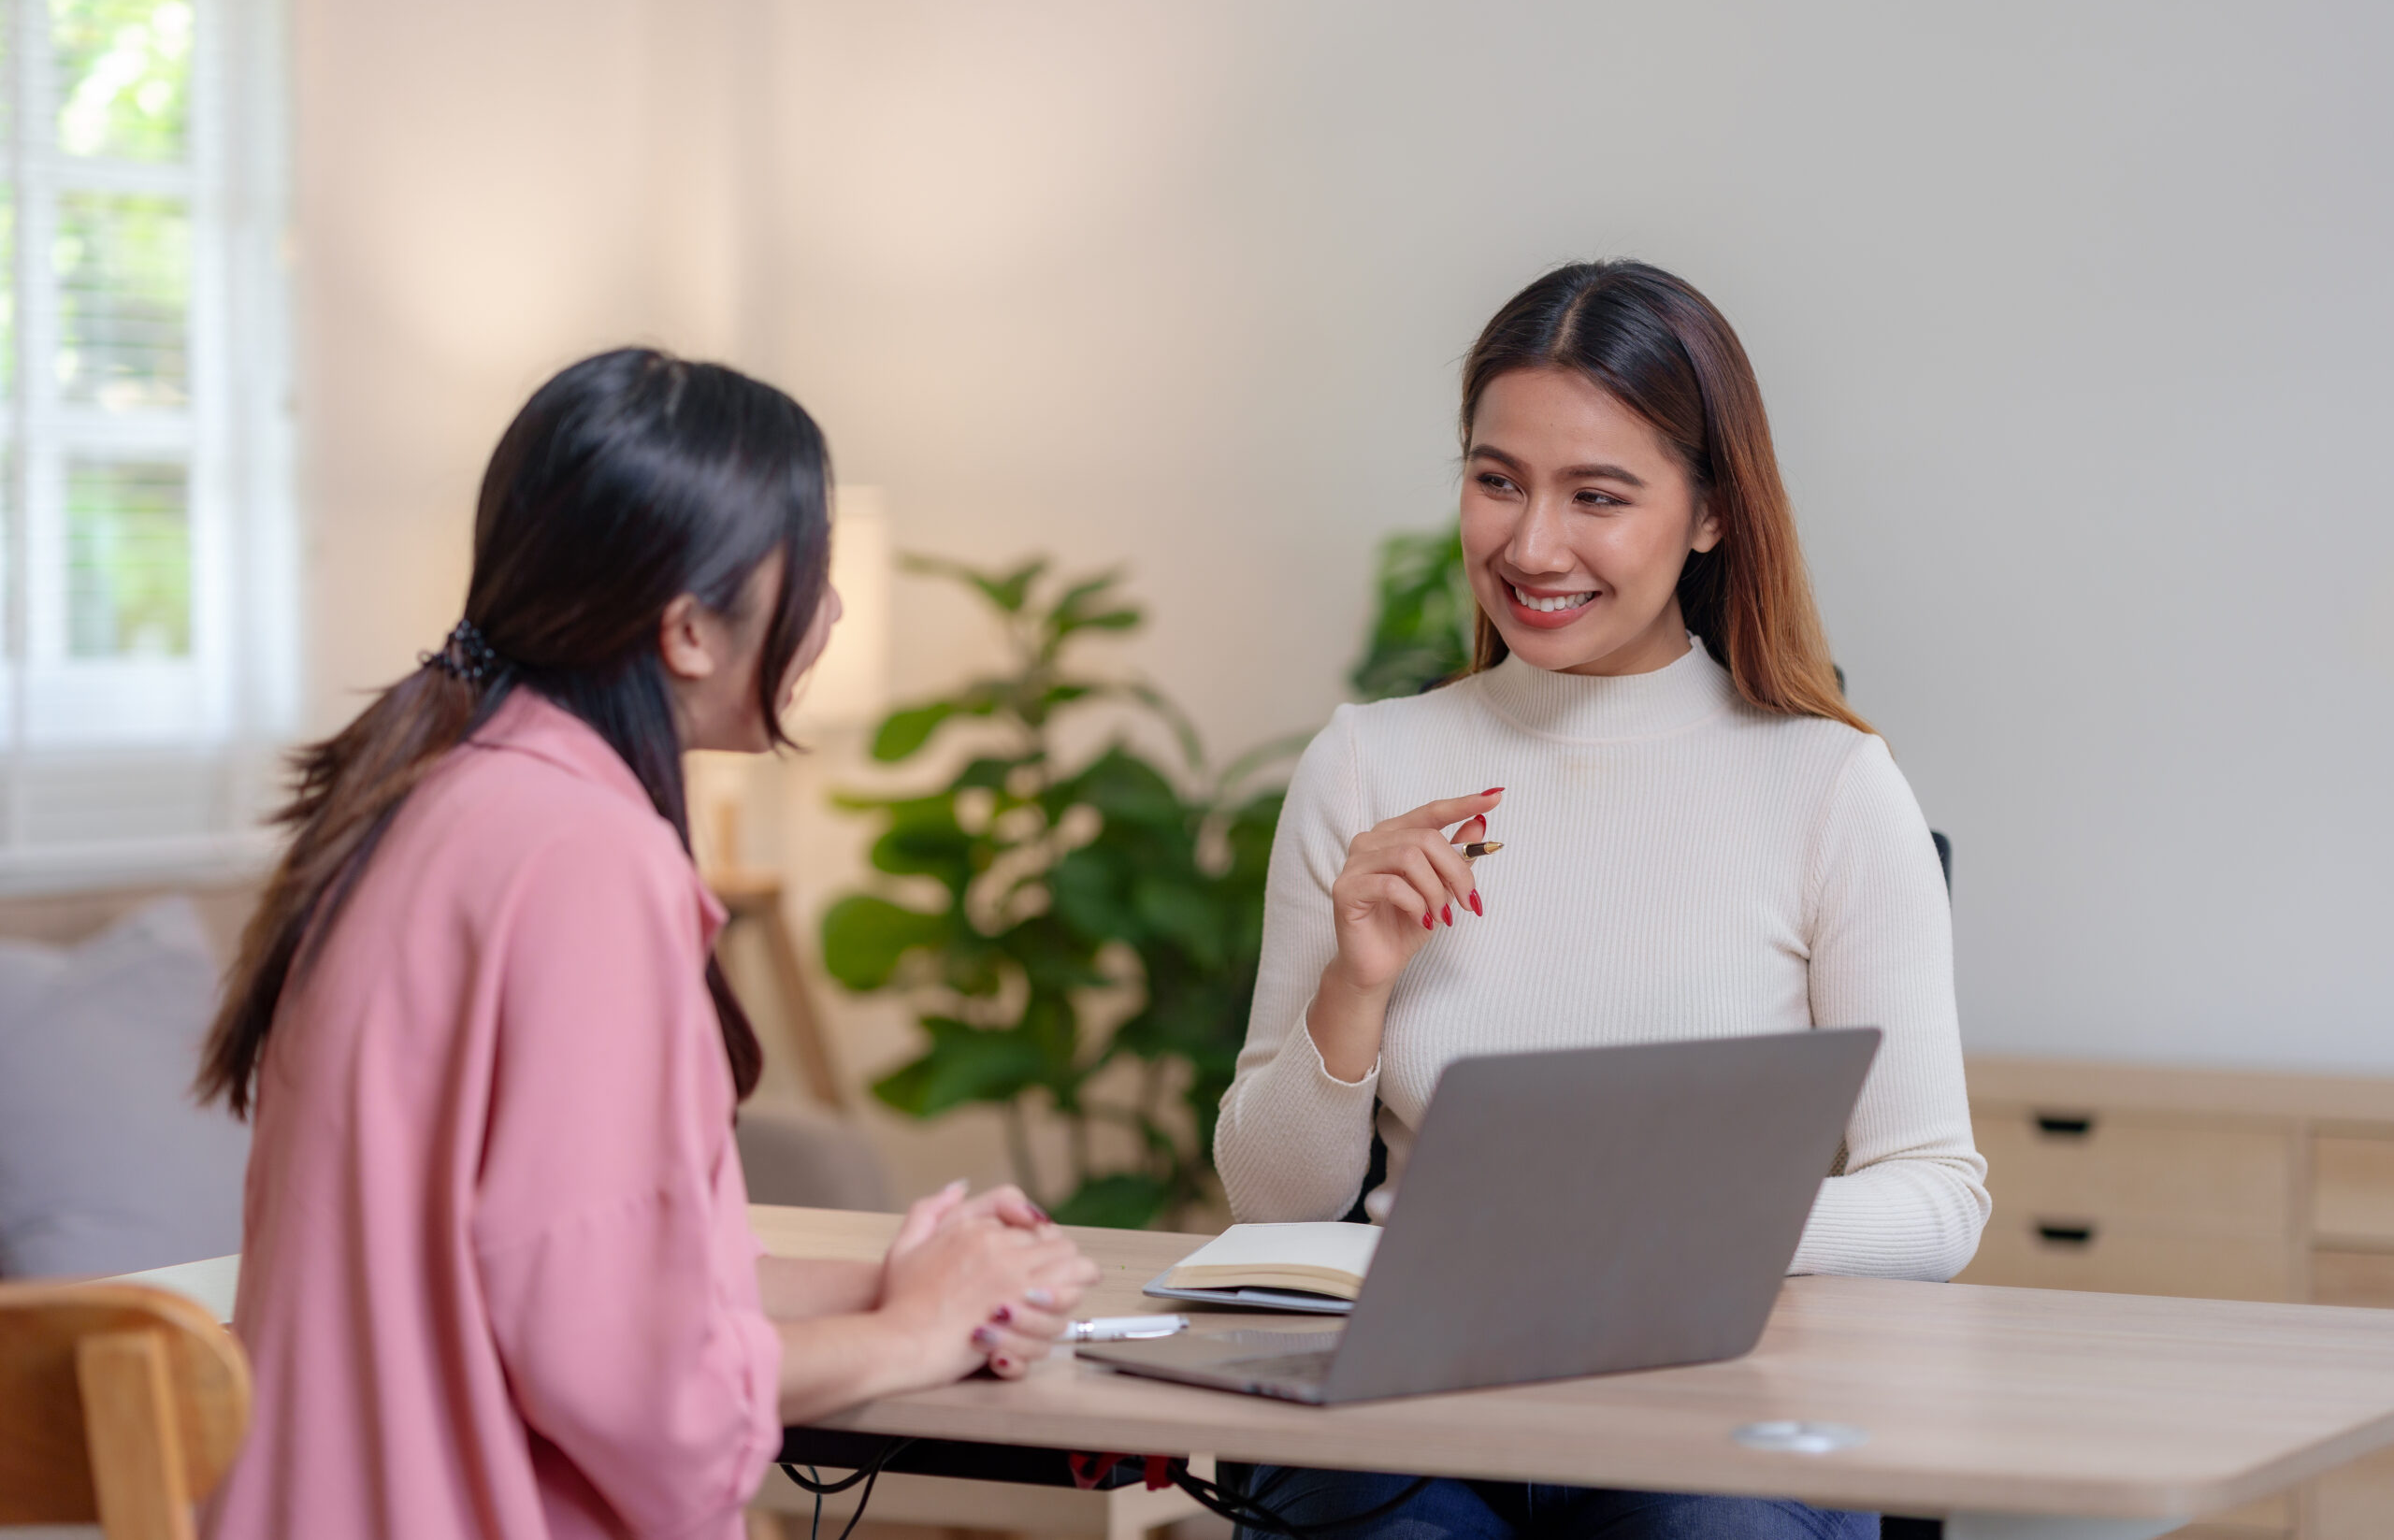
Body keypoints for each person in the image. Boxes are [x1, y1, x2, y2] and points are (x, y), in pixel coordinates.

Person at [196, 350, 1101, 1540]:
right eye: (812, 571)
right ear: (687, 632)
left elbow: (591, 1276)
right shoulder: (587, 861)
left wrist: (910, 1276)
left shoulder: (426, 801)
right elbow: (629, 1380)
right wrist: (910, 1336)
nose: (827, 613)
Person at [1213, 262, 1986, 1540]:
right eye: (1496, 478)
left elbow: (1937, 1193)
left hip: (1714, 1407)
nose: (1529, 546)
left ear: (1710, 514)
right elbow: (1273, 1202)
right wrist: (1356, 987)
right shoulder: (1367, 764)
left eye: (1599, 496)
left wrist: (1647, 1235)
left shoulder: (1830, 785)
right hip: (1419, 1410)